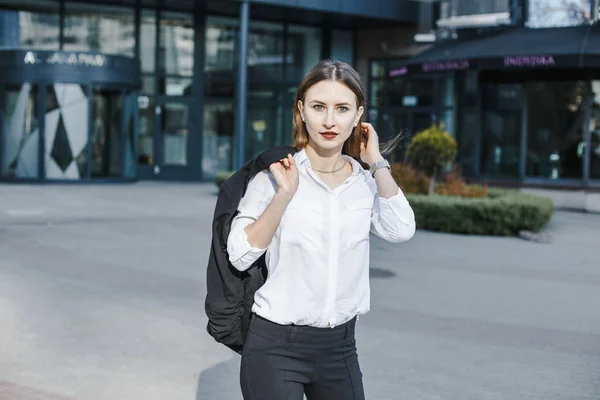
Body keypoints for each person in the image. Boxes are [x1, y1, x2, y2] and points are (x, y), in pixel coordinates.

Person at [227, 59, 416, 400]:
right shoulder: (273, 177)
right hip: (274, 348)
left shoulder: (365, 182)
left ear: (359, 115)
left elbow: (401, 228)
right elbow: (240, 255)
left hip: (339, 347)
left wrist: (376, 162)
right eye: (318, 107)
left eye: (342, 108)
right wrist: (284, 195)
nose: (330, 121)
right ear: (301, 111)